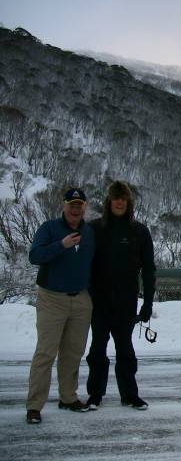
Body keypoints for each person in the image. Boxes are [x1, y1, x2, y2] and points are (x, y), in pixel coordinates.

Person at [26, 188, 95, 424]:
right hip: (52, 297)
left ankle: (68, 397)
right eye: (71, 204)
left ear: (84, 207)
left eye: (79, 205)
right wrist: (61, 245)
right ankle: (34, 405)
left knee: (73, 353)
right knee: (45, 352)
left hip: (81, 299)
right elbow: (34, 256)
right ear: (64, 206)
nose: (75, 209)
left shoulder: (90, 232)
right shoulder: (49, 228)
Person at [86, 181, 156, 410]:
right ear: (109, 202)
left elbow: (148, 269)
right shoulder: (94, 229)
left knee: (125, 349)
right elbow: (83, 265)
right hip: (99, 301)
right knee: (97, 349)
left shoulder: (139, 232)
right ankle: (95, 394)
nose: (119, 203)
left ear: (129, 203)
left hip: (126, 302)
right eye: (115, 199)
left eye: (123, 199)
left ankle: (129, 394)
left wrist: (147, 303)